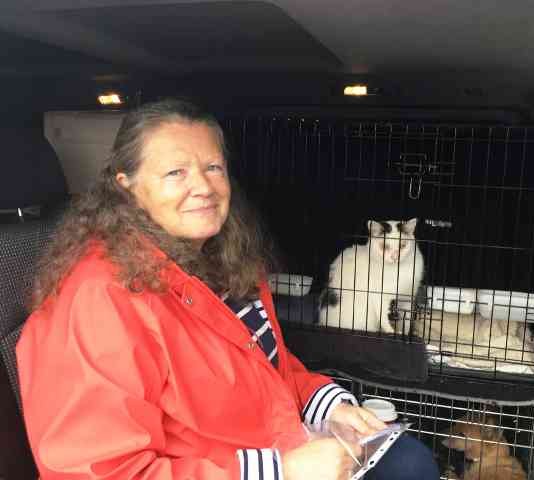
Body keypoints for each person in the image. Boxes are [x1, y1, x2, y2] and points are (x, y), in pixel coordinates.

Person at [16, 98, 439, 480]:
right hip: (243, 466)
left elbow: (263, 365)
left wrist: (328, 406)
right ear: (127, 189)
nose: (203, 186)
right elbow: (100, 472)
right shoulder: (99, 297)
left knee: (410, 461)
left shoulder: (225, 256)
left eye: (212, 167)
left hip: (276, 441)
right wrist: (280, 470)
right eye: (175, 172)